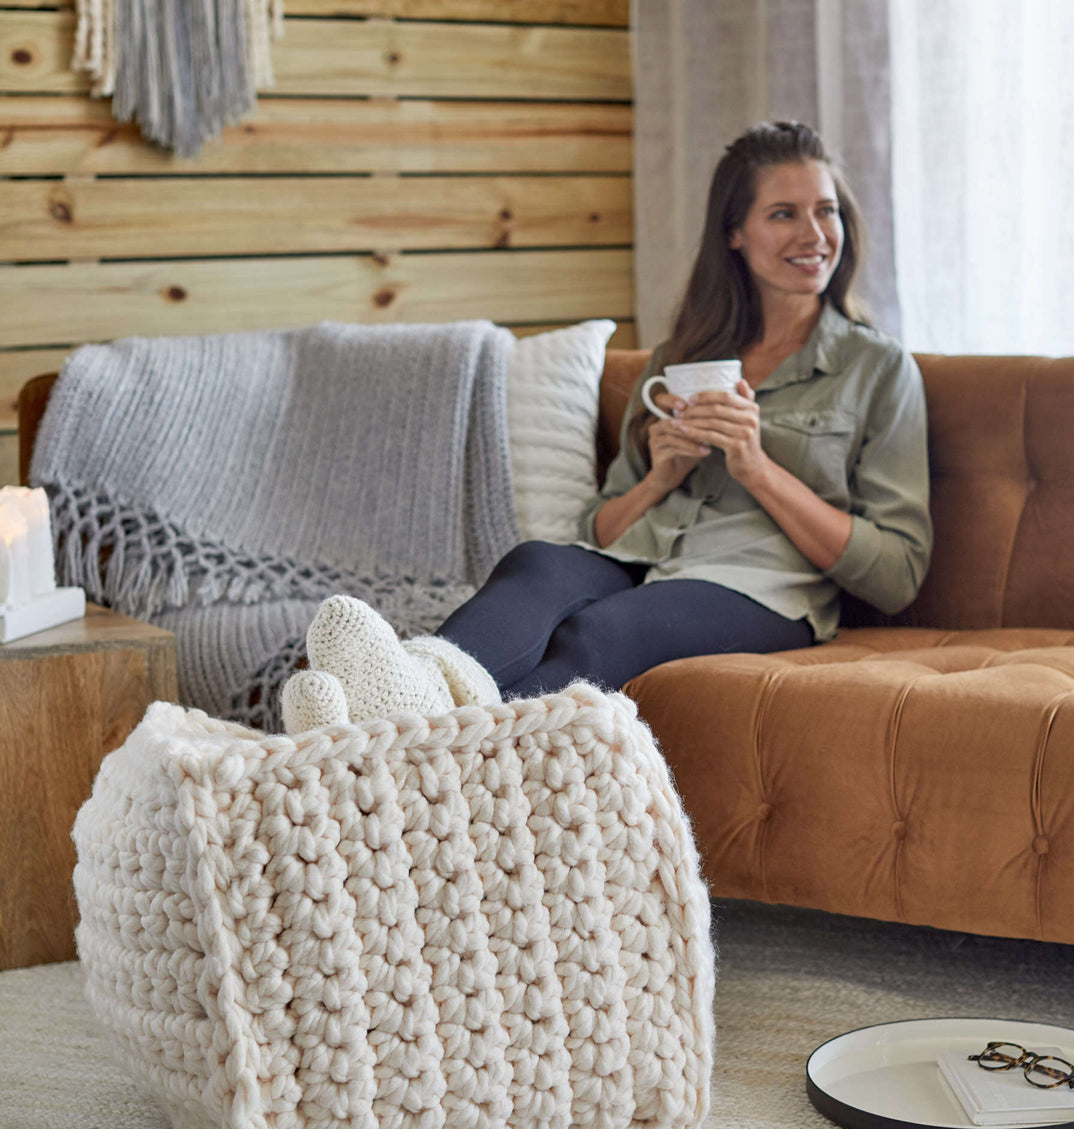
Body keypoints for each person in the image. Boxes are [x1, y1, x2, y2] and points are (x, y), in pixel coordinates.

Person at [281, 120, 933, 733]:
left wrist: (755, 468)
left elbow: (897, 573)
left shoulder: (874, 367)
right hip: (641, 559)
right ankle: (401, 699)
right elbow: (603, 529)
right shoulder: (680, 360)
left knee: (598, 632)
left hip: (760, 588)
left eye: (826, 211)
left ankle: (387, 738)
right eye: (784, 213)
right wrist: (661, 476)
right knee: (537, 563)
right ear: (734, 232)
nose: (814, 233)